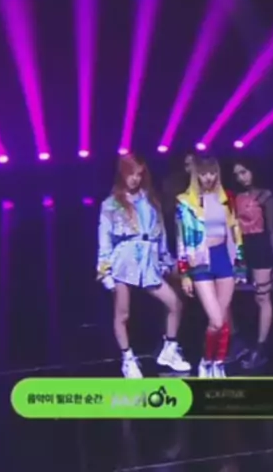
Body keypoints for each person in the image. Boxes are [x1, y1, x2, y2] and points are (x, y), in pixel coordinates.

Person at [97, 154, 191, 378]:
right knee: (123, 314)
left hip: (149, 260)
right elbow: (104, 238)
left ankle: (169, 350)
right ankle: (128, 359)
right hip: (123, 261)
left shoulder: (150, 200)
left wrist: (166, 260)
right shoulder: (110, 204)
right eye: (131, 174)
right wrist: (104, 271)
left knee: (175, 304)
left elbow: (161, 234)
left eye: (139, 174)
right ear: (122, 174)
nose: (135, 179)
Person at [174, 154, 246, 378]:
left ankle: (218, 363)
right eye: (204, 173)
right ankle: (206, 360)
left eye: (213, 173)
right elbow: (181, 239)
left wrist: (240, 263)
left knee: (222, 319)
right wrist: (184, 273)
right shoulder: (185, 202)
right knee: (215, 319)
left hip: (224, 257)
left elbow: (235, 231)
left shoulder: (226, 198)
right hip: (200, 261)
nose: (209, 178)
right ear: (196, 174)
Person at [232, 158, 273, 369]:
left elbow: (271, 230)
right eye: (237, 174)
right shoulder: (235, 197)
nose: (241, 177)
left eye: (244, 172)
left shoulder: (265, 195)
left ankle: (260, 349)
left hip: (261, 246)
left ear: (252, 170)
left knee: (262, 297)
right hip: (242, 247)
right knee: (231, 295)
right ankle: (238, 341)